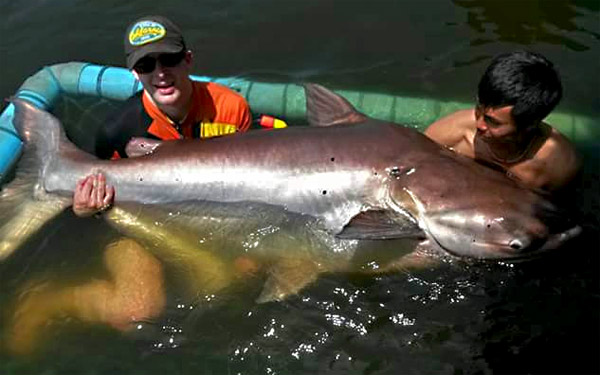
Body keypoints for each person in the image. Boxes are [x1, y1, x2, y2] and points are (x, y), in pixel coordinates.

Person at [7, 15, 252, 355]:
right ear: (135, 74)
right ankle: (49, 302)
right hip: (134, 225)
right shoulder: (119, 130)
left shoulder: (231, 108)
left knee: (231, 284)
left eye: (169, 59)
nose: (161, 72)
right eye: (147, 64)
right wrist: (84, 210)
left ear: (188, 60)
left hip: (204, 219)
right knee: (137, 310)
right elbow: (98, 197)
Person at [424, 51, 580, 193]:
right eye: (479, 109)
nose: (479, 124)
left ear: (528, 125)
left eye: (493, 122)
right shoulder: (450, 134)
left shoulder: (558, 165)